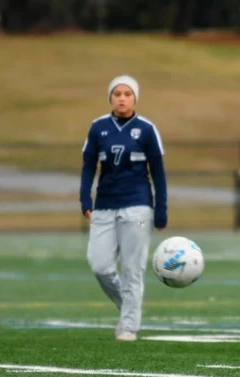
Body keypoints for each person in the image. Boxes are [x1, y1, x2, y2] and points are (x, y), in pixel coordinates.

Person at [79, 75, 168, 342]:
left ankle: (129, 325)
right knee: (100, 265)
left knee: (132, 269)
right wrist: (85, 197)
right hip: (104, 204)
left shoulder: (147, 129)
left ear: (135, 98)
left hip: (138, 205)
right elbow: (88, 166)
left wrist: (161, 207)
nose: (122, 97)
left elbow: (159, 173)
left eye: (127, 93)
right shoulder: (98, 128)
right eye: (117, 93)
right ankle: (128, 307)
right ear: (110, 97)